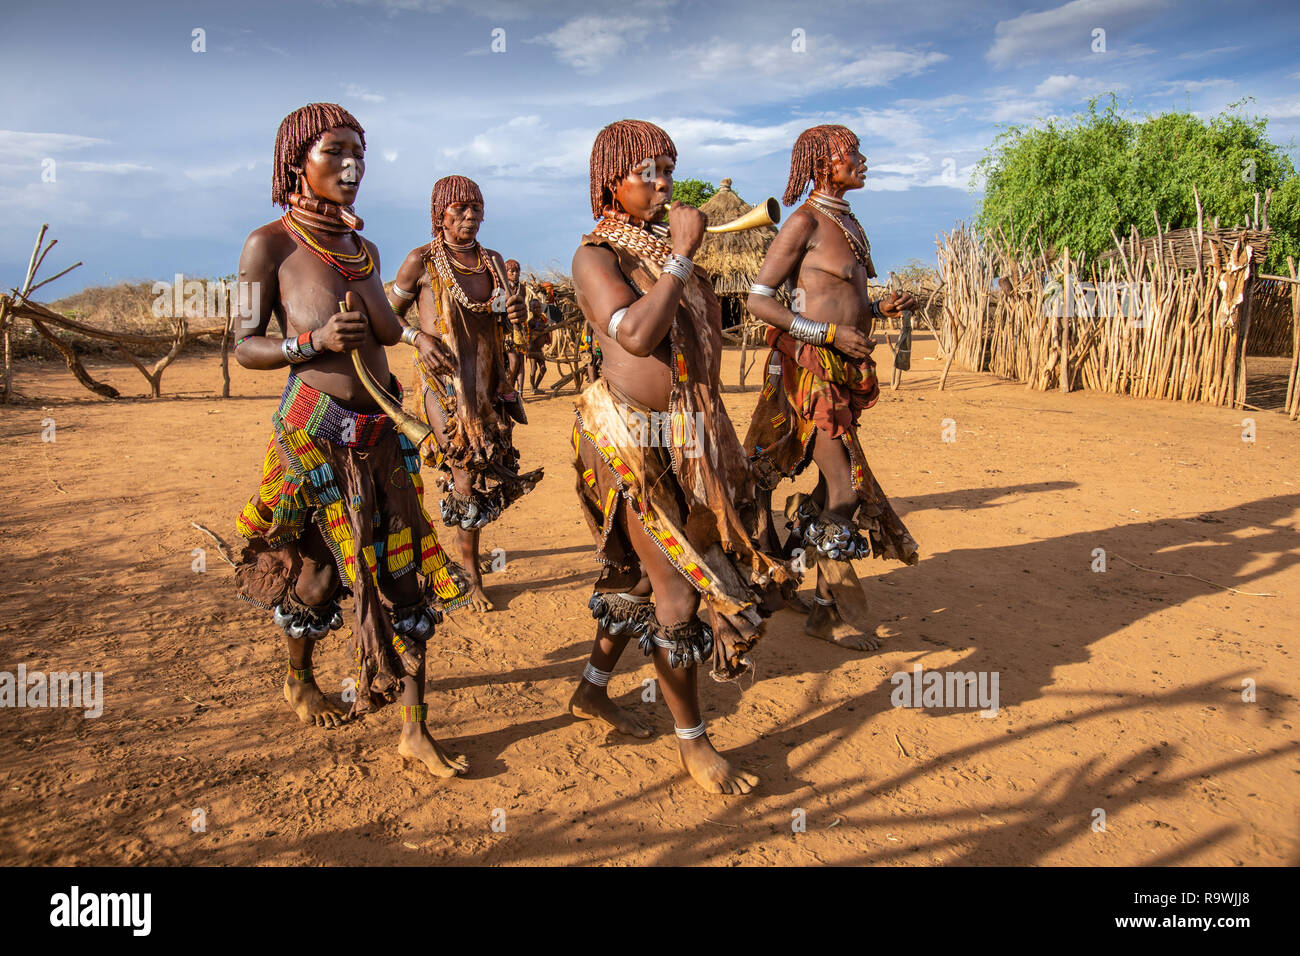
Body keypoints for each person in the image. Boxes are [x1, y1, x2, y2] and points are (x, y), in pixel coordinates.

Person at [231, 103, 470, 777]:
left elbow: (387, 332)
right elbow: (245, 346)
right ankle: (299, 677)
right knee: (315, 579)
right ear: (295, 162)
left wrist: (407, 327)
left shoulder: (361, 249)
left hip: (381, 434)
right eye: (335, 152)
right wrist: (312, 341)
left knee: (405, 578)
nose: (351, 167)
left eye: (359, 154)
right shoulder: (269, 245)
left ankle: (414, 730)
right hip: (314, 437)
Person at [567, 119, 792, 795]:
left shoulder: (663, 251)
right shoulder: (595, 257)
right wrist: (682, 260)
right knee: (676, 591)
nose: (664, 182)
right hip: (632, 440)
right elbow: (636, 335)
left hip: (689, 435)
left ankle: (591, 690)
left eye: (669, 168)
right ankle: (693, 743)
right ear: (612, 181)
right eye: (648, 172)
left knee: (645, 577)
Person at [743, 124, 919, 652]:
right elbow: (758, 298)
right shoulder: (803, 221)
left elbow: (841, 295)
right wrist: (825, 333)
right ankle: (827, 611)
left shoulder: (849, 223)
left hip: (842, 373)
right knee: (845, 487)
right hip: (809, 374)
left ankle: (797, 581)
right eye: (852, 155)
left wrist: (876, 308)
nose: (862, 161)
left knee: (828, 488)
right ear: (824, 163)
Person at [389, 176, 542, 612]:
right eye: (459, 209)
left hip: (488, 384)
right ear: (440, 214)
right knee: (464, 471)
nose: (469, 216)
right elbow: (387, 317)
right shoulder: (421, 261)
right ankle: (470, 572)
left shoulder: (490, 261)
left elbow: (509, 319)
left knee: (485, 469)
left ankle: (463, 555)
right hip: (444, 386)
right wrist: (418, 338)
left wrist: (514, 311)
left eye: (476, 208)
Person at [525, 298, 552, 393]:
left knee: (543, 369)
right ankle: (532, 387)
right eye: (535, 307)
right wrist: (539, 329)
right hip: (532, 349)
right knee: (533, 368)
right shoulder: (530, 322)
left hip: (539, 349)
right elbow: (530, 333)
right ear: (530, 310)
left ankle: (535, 387)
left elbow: (545, 327)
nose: (537, 309)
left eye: (539, 307)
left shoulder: (542, 319)